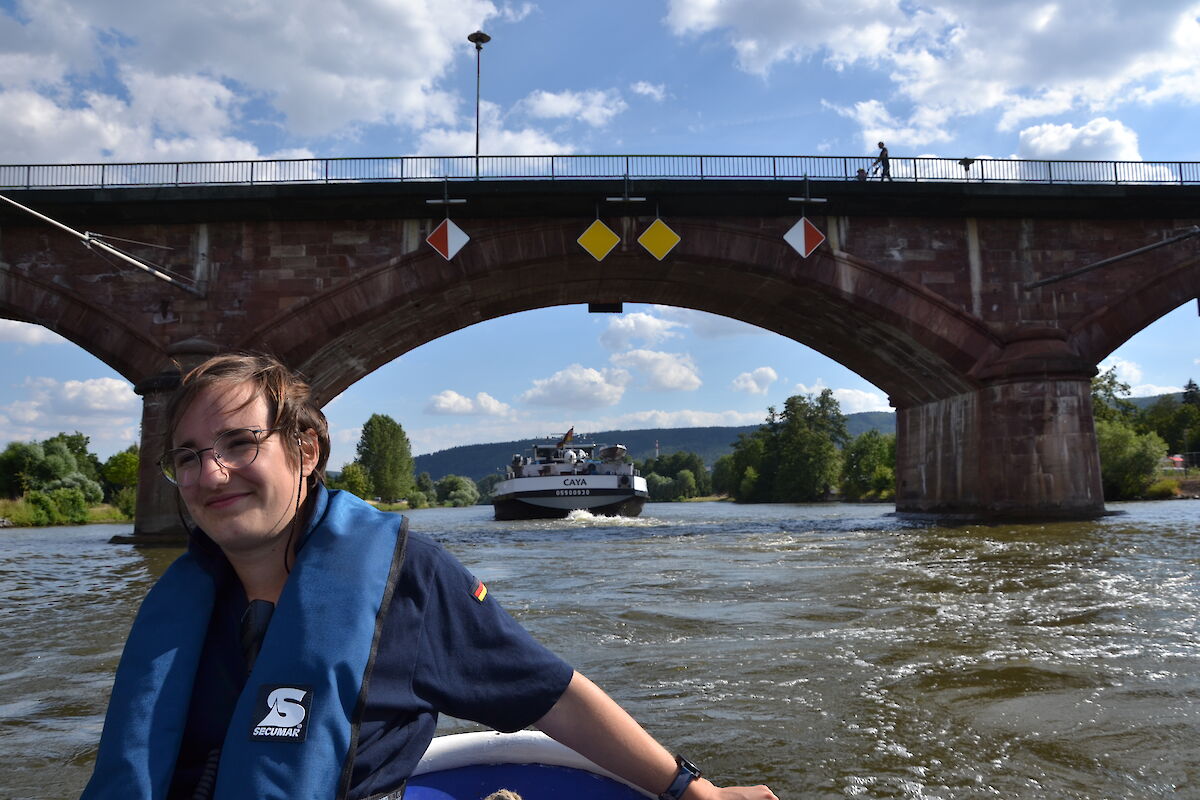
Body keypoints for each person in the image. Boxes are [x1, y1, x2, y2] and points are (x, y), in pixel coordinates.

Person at [81, 353, 778, 800]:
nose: (212, 474)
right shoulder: (189, 602)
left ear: (306, 448)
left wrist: (693, 791)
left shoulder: (400, 579)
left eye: (239, 444)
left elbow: (550, 694)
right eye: (190, 456)